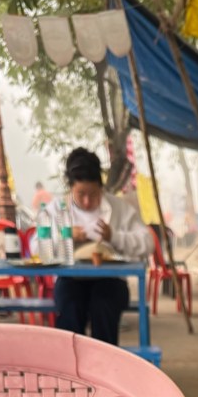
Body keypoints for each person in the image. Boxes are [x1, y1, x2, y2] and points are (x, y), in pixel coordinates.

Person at [51, 147, 152, 346]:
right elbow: (36, 247)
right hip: (70, 280)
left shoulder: (119, 208)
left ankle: (103, 362)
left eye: (93, 194)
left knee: (103, 306)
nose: (87, 201)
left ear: (101, 186)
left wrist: (114, 236)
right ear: (70, 188)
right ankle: (70, 363)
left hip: (111, 281)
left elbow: (147, 243)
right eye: (81, 194)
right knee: (70, 308)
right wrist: (66, 236)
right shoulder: (56, 209)